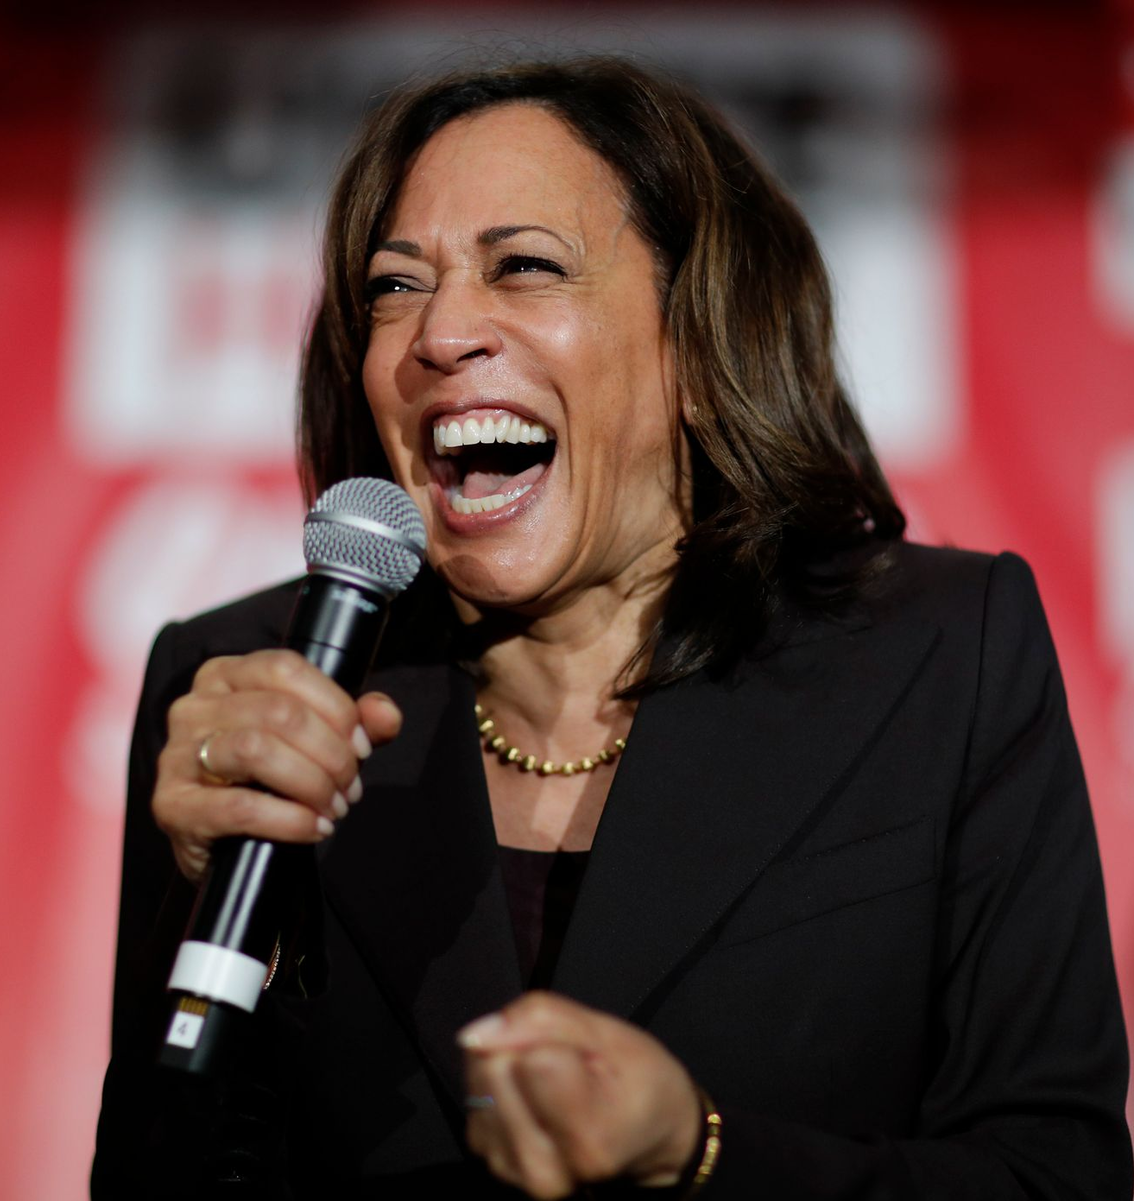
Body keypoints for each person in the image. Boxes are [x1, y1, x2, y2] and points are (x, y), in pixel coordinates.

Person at [92, 57, 1132, 1199]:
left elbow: (1056, 1174)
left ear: (698, 342)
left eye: (525, 267)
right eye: (394, 288)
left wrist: (699, 1151)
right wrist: (203, 896)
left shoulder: (942, 659)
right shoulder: (253, 690)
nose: (439, 334)